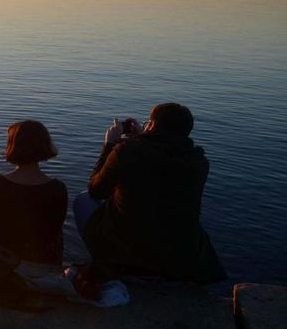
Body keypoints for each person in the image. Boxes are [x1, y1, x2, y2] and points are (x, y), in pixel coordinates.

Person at [73, 103, 226, 283]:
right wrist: (143, 137)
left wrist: (110, 145)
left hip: (129, 250)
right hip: (181, 256)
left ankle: (107, 262)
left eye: (148, 123)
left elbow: (96, 190)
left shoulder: (126, 151)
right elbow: (160, 168)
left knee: (83, 199)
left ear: (152, 125)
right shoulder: (199, 163)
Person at [0, 120, 67, 265]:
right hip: (40, 258)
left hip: (1, 258)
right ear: (45, 145)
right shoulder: (58, 188)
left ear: (12, 146)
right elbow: (53, 232)